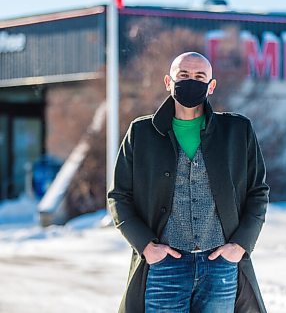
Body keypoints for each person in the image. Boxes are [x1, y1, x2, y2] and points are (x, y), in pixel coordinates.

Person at [107, 51, 269, 313]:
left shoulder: (237, 131)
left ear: (211, 85)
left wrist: (240, 246)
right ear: (168, 82)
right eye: (183, 75)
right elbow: (119, 196)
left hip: (221, 267)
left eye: (199, 76)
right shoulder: (142, 133)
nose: (190, 81)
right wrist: (146, 246)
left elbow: (258, 192)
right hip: (164, 267)